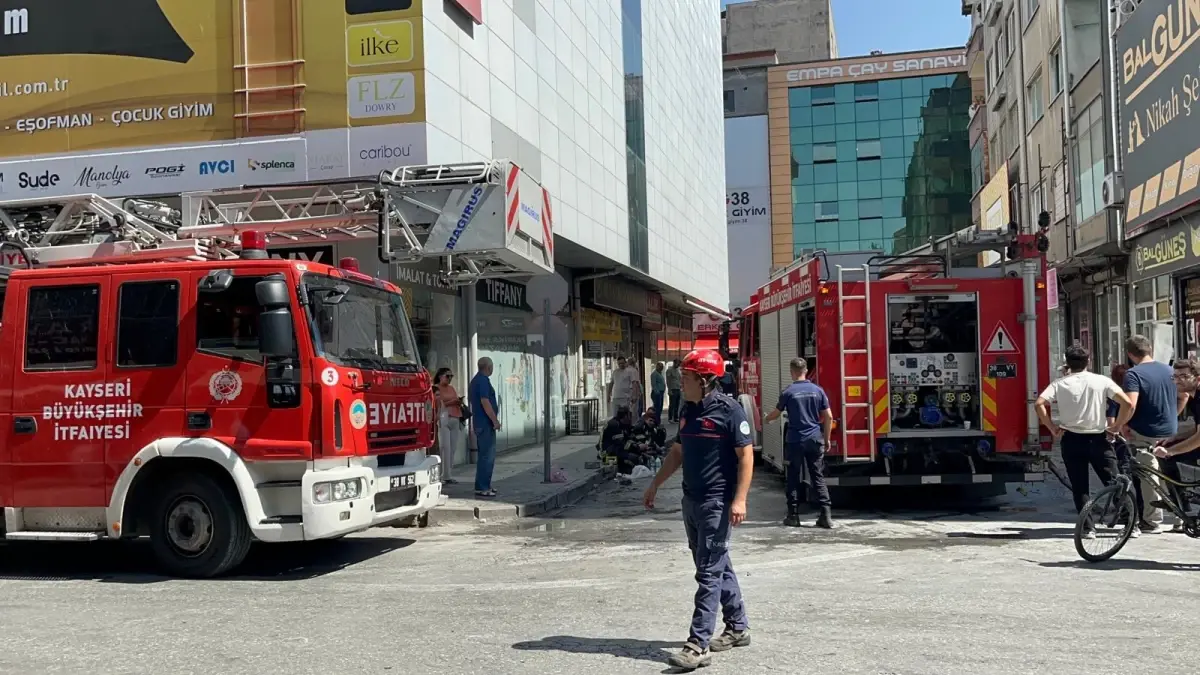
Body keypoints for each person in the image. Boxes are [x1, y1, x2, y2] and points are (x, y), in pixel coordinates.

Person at [643, 349, 754, 670]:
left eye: (687, 377)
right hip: (690, 501)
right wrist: (655, 484)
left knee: (708, 572)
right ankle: (737, 626)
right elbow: (677, 453)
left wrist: (740, 499)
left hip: (717, 503)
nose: (681, 381)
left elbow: (746, 457)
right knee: (717, 566)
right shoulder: (687, 410)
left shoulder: (730, 411)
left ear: (705, 381)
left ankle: (697, 644)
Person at [1034, 346, 1131, 535]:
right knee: (1114, 480)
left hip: (1071, 438)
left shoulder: (1059, 383)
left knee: (1079, 485)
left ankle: (1088, 527)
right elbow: (1127, 403)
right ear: (1089, 361)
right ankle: (1129, 520)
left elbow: (1039, 403)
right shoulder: (1101, 381)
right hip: (1098, 437)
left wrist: (1052, 426)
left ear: (1067, 362)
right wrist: (1117, 426)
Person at [1110, 334, 1178, 533]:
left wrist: (1120, 425)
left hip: (1145, 432)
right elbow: (1182, 396)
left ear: (1130, 354)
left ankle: (1152, 520)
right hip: (1169, 430)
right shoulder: (1169, 370)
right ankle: (1180, 518)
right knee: (1169, 475)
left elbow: (1130, 404)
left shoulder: (1134, 374)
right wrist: (1174, 414)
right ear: (1150, 349)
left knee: (1149, 477)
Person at [764, 357, 834, 528]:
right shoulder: (818, 390)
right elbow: (829, 416)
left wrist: (766, 419)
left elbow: (776, 413)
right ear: (805, 371)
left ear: (792, 372)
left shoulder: (788, 392)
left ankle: (793, 516)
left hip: (795, 440)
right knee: (817, 476)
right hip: (814, 439)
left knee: (793, 477)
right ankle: (826, 515)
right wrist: (826, 439)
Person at [1153, 358, 1200, 530]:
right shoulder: (1194, 397)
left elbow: (1199, 438)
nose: (1178, 380)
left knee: (1168, 456)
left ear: (1197, 378)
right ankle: (1181, 505)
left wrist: (1171, 450)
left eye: (1184, 376)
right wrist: (1174, 437)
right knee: (1166, 458)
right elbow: (1196, 430)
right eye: (1175, 377)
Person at [468, 356, 502, 498]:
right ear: (488, 367)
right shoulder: (482, 381)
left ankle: (484, 485)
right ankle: (482, 487)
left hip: (480, 423)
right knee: (487, 456)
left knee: (486, 456)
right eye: (492, 366)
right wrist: (495, 421)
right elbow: (485, 402)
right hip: (485, 424)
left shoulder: (475, 380)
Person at [434, 367, 464, 484]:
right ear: (441, 376)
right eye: (448, 376)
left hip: (455, 416)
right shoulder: (436, 388)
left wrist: (458, 401)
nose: (450, 379)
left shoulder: (451, 388)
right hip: (444, 417)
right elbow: (437, 403)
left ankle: (448, 474)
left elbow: (455, 399)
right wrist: (451, 402)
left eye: (451, 376)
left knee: (452, 447)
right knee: (445, 447)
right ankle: (443, 474)